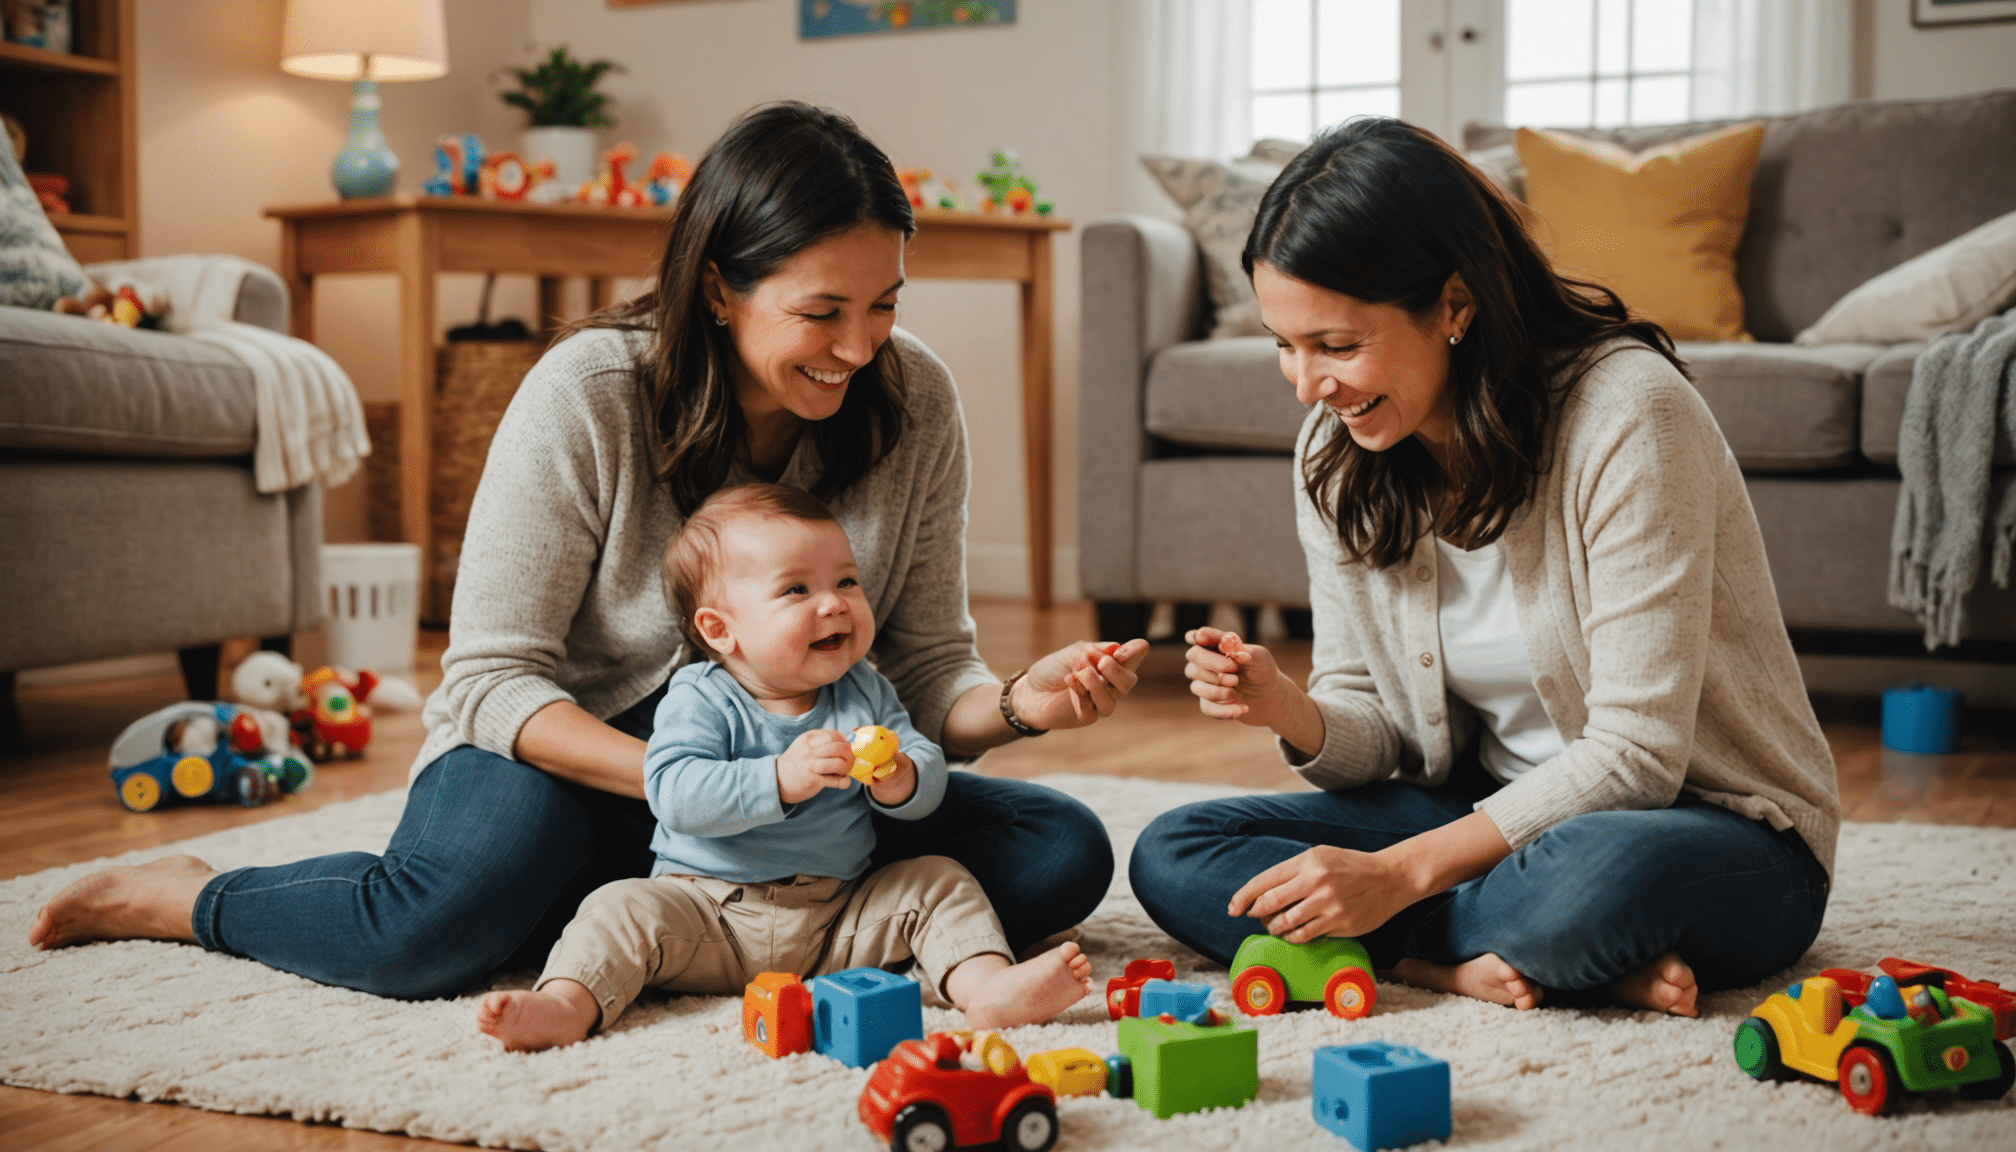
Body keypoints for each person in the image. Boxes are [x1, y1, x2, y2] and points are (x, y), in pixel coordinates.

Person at [31, 102, 1146, 999]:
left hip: (800, 790)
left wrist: (1019, 706)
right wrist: (701, 790)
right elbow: (489, 680)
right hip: (571, 762)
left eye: (884, 306)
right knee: (424, 935)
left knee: (1058, 853)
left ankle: (644, 904)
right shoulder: (591, 393)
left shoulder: (915, 401)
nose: (859, 348)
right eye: (821, 313)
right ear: (718, 287)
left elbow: (926, 665)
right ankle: (190, 896)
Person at [1129, 118, 1839, 1017]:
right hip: (1491, 815)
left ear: (1456, 306)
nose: (1307, 386)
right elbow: (1381, 733)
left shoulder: (1631, 414)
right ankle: (1480, 957)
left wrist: (1397, 877)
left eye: (1337, 346)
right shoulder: (1334, 450)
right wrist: (1290, 709)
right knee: (1176, 851)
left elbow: (1638, 759)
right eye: (1284, 343)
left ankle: (1452, 940)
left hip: (1711, 827)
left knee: (1590, 883)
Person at [478, 485, 1091, 1051]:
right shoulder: (699, 697)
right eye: (797, 590)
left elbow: (924, 764)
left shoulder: (865, 690)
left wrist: (902, 778)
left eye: (847, 581)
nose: (835, 604)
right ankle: (566, 1005)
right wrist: (778, 779)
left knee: (938, 880)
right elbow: (674, 793)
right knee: (617, 907)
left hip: (837, 920)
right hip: (704, 915)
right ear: (720, 630)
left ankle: (986, 989)